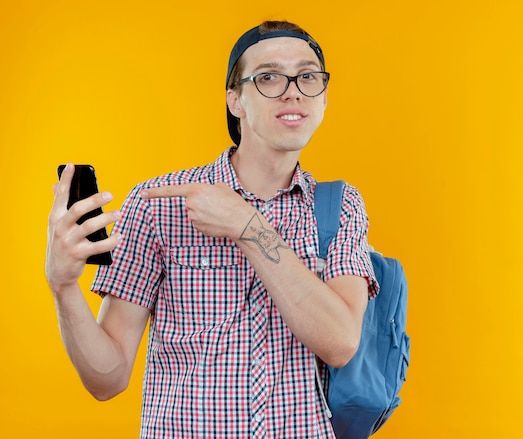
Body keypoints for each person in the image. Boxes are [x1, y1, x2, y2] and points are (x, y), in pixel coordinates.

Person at [46, 20, 378, 438]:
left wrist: (247, 225)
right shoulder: (159, 206)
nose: (293, 90)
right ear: (234, 100)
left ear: (324, 98)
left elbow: (341, 342)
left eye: (308, 76)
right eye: (269, 77)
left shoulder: (340, 206)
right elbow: (107, 379)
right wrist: (63, 286)